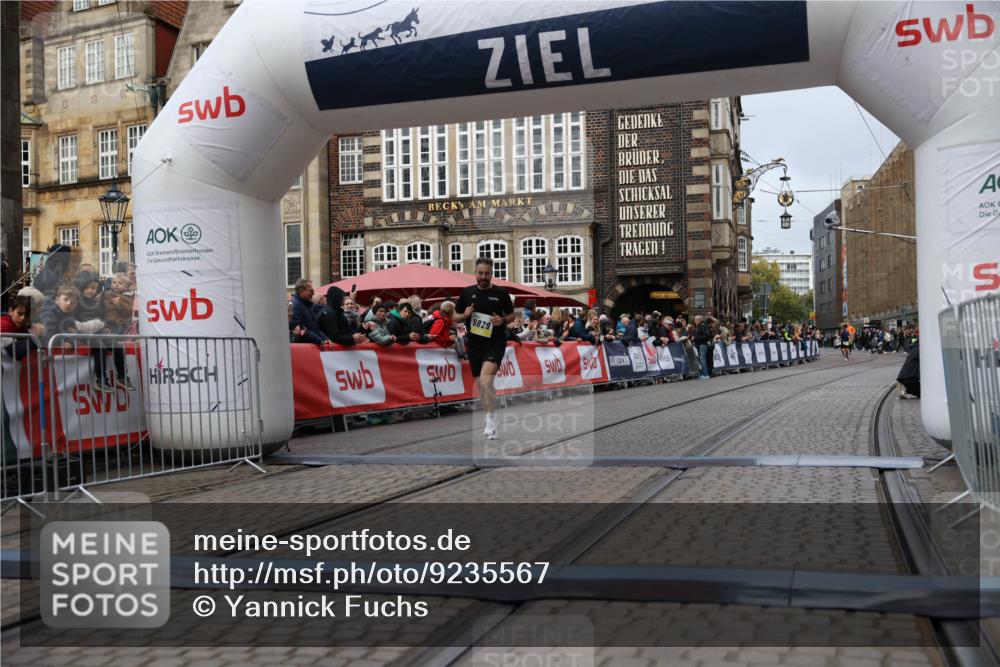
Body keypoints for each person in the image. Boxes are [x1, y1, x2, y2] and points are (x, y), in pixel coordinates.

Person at [453, 257, 514, 440]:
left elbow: (511, 315)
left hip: (495, 342)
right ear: (476, 274)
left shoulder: (501, 293)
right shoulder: (467, 293)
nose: (483, 276)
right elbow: (455, 317)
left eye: (487, 273)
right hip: (475, 344)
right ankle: (492, 414)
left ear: (492, 274)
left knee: (486, 381)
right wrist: (464, 314)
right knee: (482, 384)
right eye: (480, 273)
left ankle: (489, 420)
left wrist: (502, 320)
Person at [289, 279, 329, 347]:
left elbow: (315, 328)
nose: (313, 293)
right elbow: (299, 328)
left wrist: (325, 339)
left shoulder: (307, 305)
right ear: (301, 291)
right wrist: (319, 341)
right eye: (311, 290)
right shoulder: (294, 305)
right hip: (303, 349)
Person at [693, 315, 712, 379]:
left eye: (695, 320)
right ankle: (703, 374)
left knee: (702, 360)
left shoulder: (703, 325)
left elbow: (706, 335)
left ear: (698, 320)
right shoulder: (699, 326)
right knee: (701, 360)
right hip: (700, 344)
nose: (694, 321)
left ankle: (705, 374)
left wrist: (696, 338)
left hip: (702, 344)